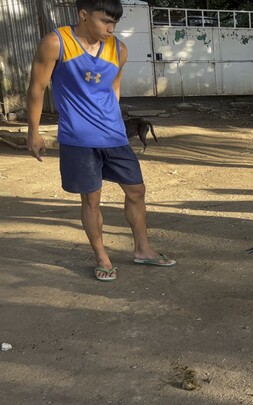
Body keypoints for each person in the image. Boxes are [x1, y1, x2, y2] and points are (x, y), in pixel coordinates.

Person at [26, 0, 175, 282]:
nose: (111, 28)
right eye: (105, 21)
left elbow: (113, 88)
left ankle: (143, 249)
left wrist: (116, 123)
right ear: (84, 15)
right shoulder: (56, 43)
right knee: (91, 198)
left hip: (113, 136)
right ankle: (102, 257)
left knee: (136, 190)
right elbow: (37, 87)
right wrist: (33, 131)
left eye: (115, 23)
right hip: (78, 138)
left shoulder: (118, 49)